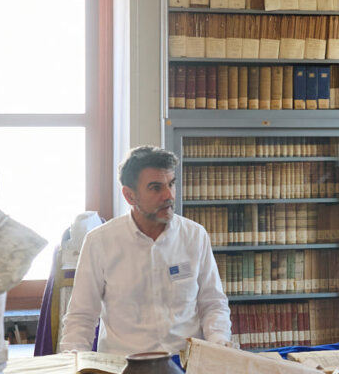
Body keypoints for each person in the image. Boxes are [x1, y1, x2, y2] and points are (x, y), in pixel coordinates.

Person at [59, 146, 231, 357]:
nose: (168, 195)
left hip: (186, 364)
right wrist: (73, 364)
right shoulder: (99, 242)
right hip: (123, 370)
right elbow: (81, 316)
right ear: (130, 196)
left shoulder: (194, 236)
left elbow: (213, 303)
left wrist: (219, 342)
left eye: (171, 184)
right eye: (156, 188)